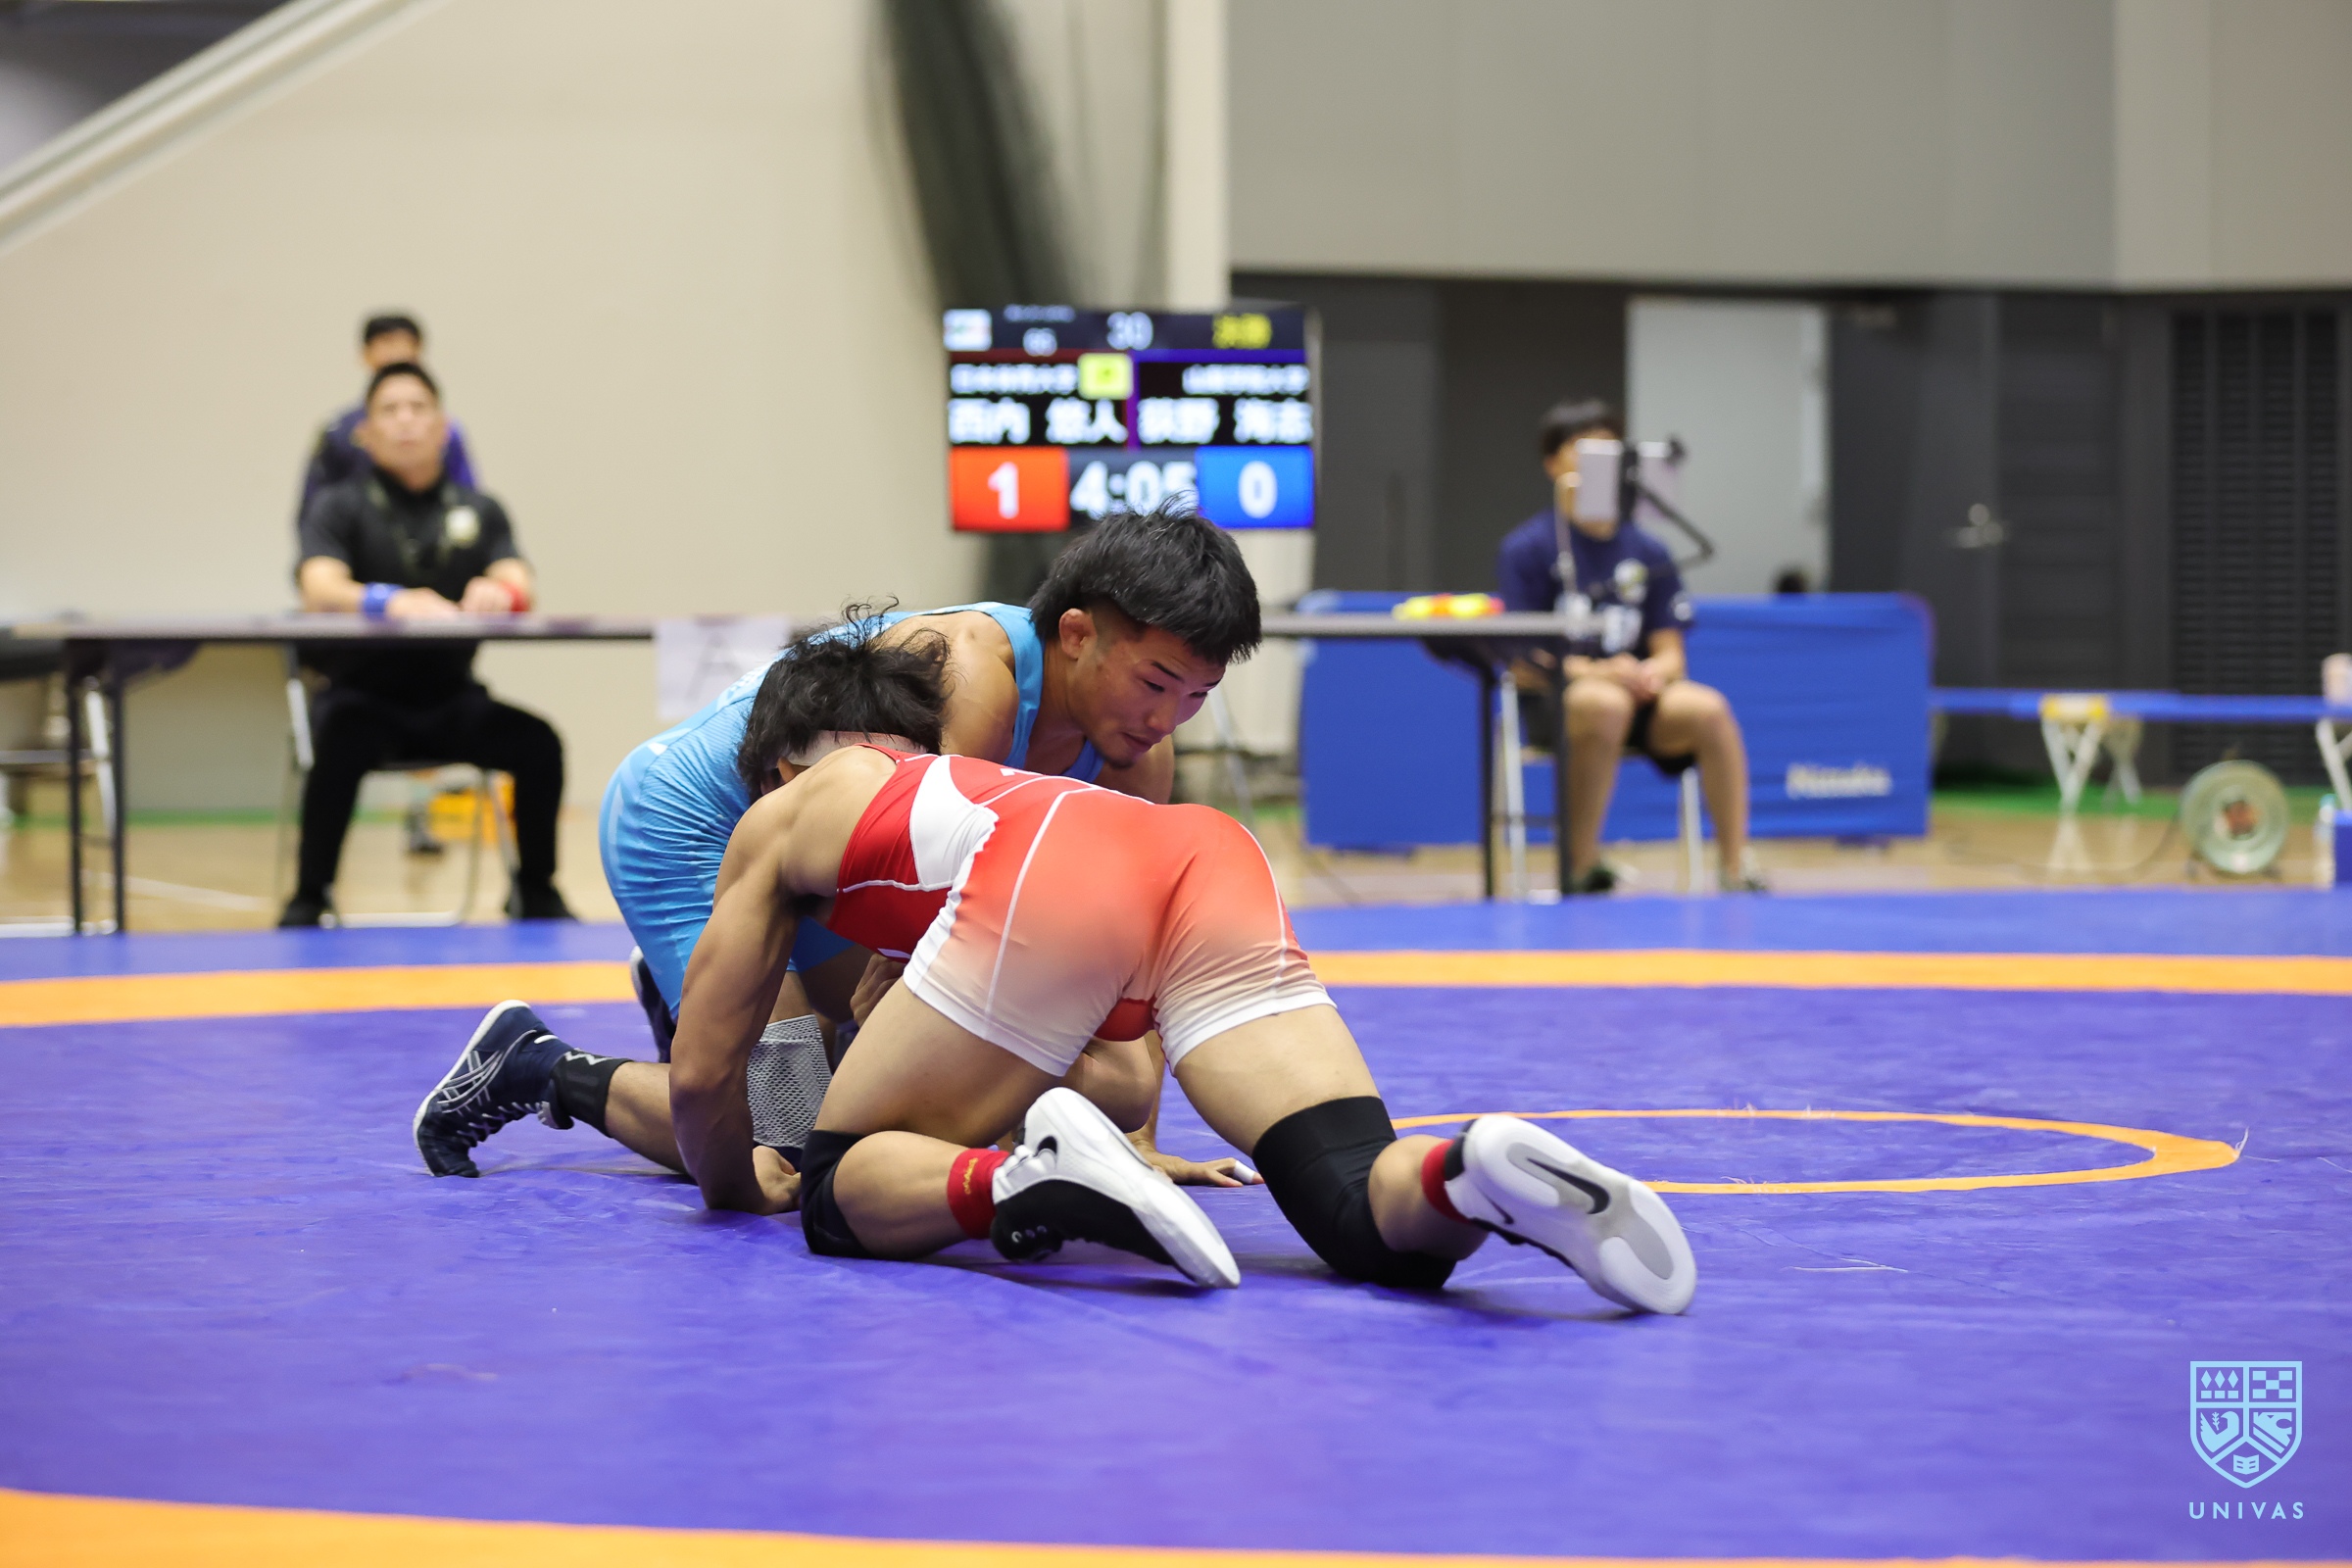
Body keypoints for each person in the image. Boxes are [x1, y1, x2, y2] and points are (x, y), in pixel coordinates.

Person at [424, 724, 1699, 1311]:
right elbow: (1119, 1066)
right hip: (1203, 852)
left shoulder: (785, 818)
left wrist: (742, 1191)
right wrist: (1123, 1136)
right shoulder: (974, 779)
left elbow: (714, 1079)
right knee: (1360, 1213)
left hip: (1051, 886)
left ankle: (1017, 1181)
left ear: (787, 761)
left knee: (832, 1181)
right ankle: (1468, 1172)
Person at [415, 505, 1262, 1184]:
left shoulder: (1138, 753)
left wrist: (1137, 1142)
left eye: (1197, 696)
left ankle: (710, 996)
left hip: (830, 862)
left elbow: (1130, 954)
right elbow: (930, 931)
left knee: (995, 1090)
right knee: (796, 1136)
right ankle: (540, 1066)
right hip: (697, 821)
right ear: (1076, 634)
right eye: (1155, 682)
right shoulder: (976, 682)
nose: (1165, 718)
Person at [283, 361, 570, 927]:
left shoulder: (479, 509)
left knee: (539, 744)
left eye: (418, 408)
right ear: (366, 432)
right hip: (362, 701)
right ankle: (309, 897)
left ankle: (536, 891)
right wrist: (387, 602)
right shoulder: (338, 507)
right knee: (335, 744)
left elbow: (520, 579)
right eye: (390, 410)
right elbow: (318, 585)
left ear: (443, 428)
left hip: (451, 699)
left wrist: (502, 591)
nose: (406, 421)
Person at [1496, 400, 1764, 894]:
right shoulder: (1528, 549)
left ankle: (1735, 866)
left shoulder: (1649, 550)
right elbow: (1523, 660)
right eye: (1583, 448)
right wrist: (1600, 673)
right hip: (1564, 701)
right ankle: (1580, 866)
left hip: (1640, 695)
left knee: (1709, 710)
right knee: (1605, 704)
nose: (1599, 460)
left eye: (1610, 449)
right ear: (1553, 464)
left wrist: (1652, 673)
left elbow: (1671, 651)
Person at [297, 313, 479, 523]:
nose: (396, 353)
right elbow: (314, 506)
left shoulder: (446, 429)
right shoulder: (339, 431)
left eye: (406, 344)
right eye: (386, 342)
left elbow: (467, 498)